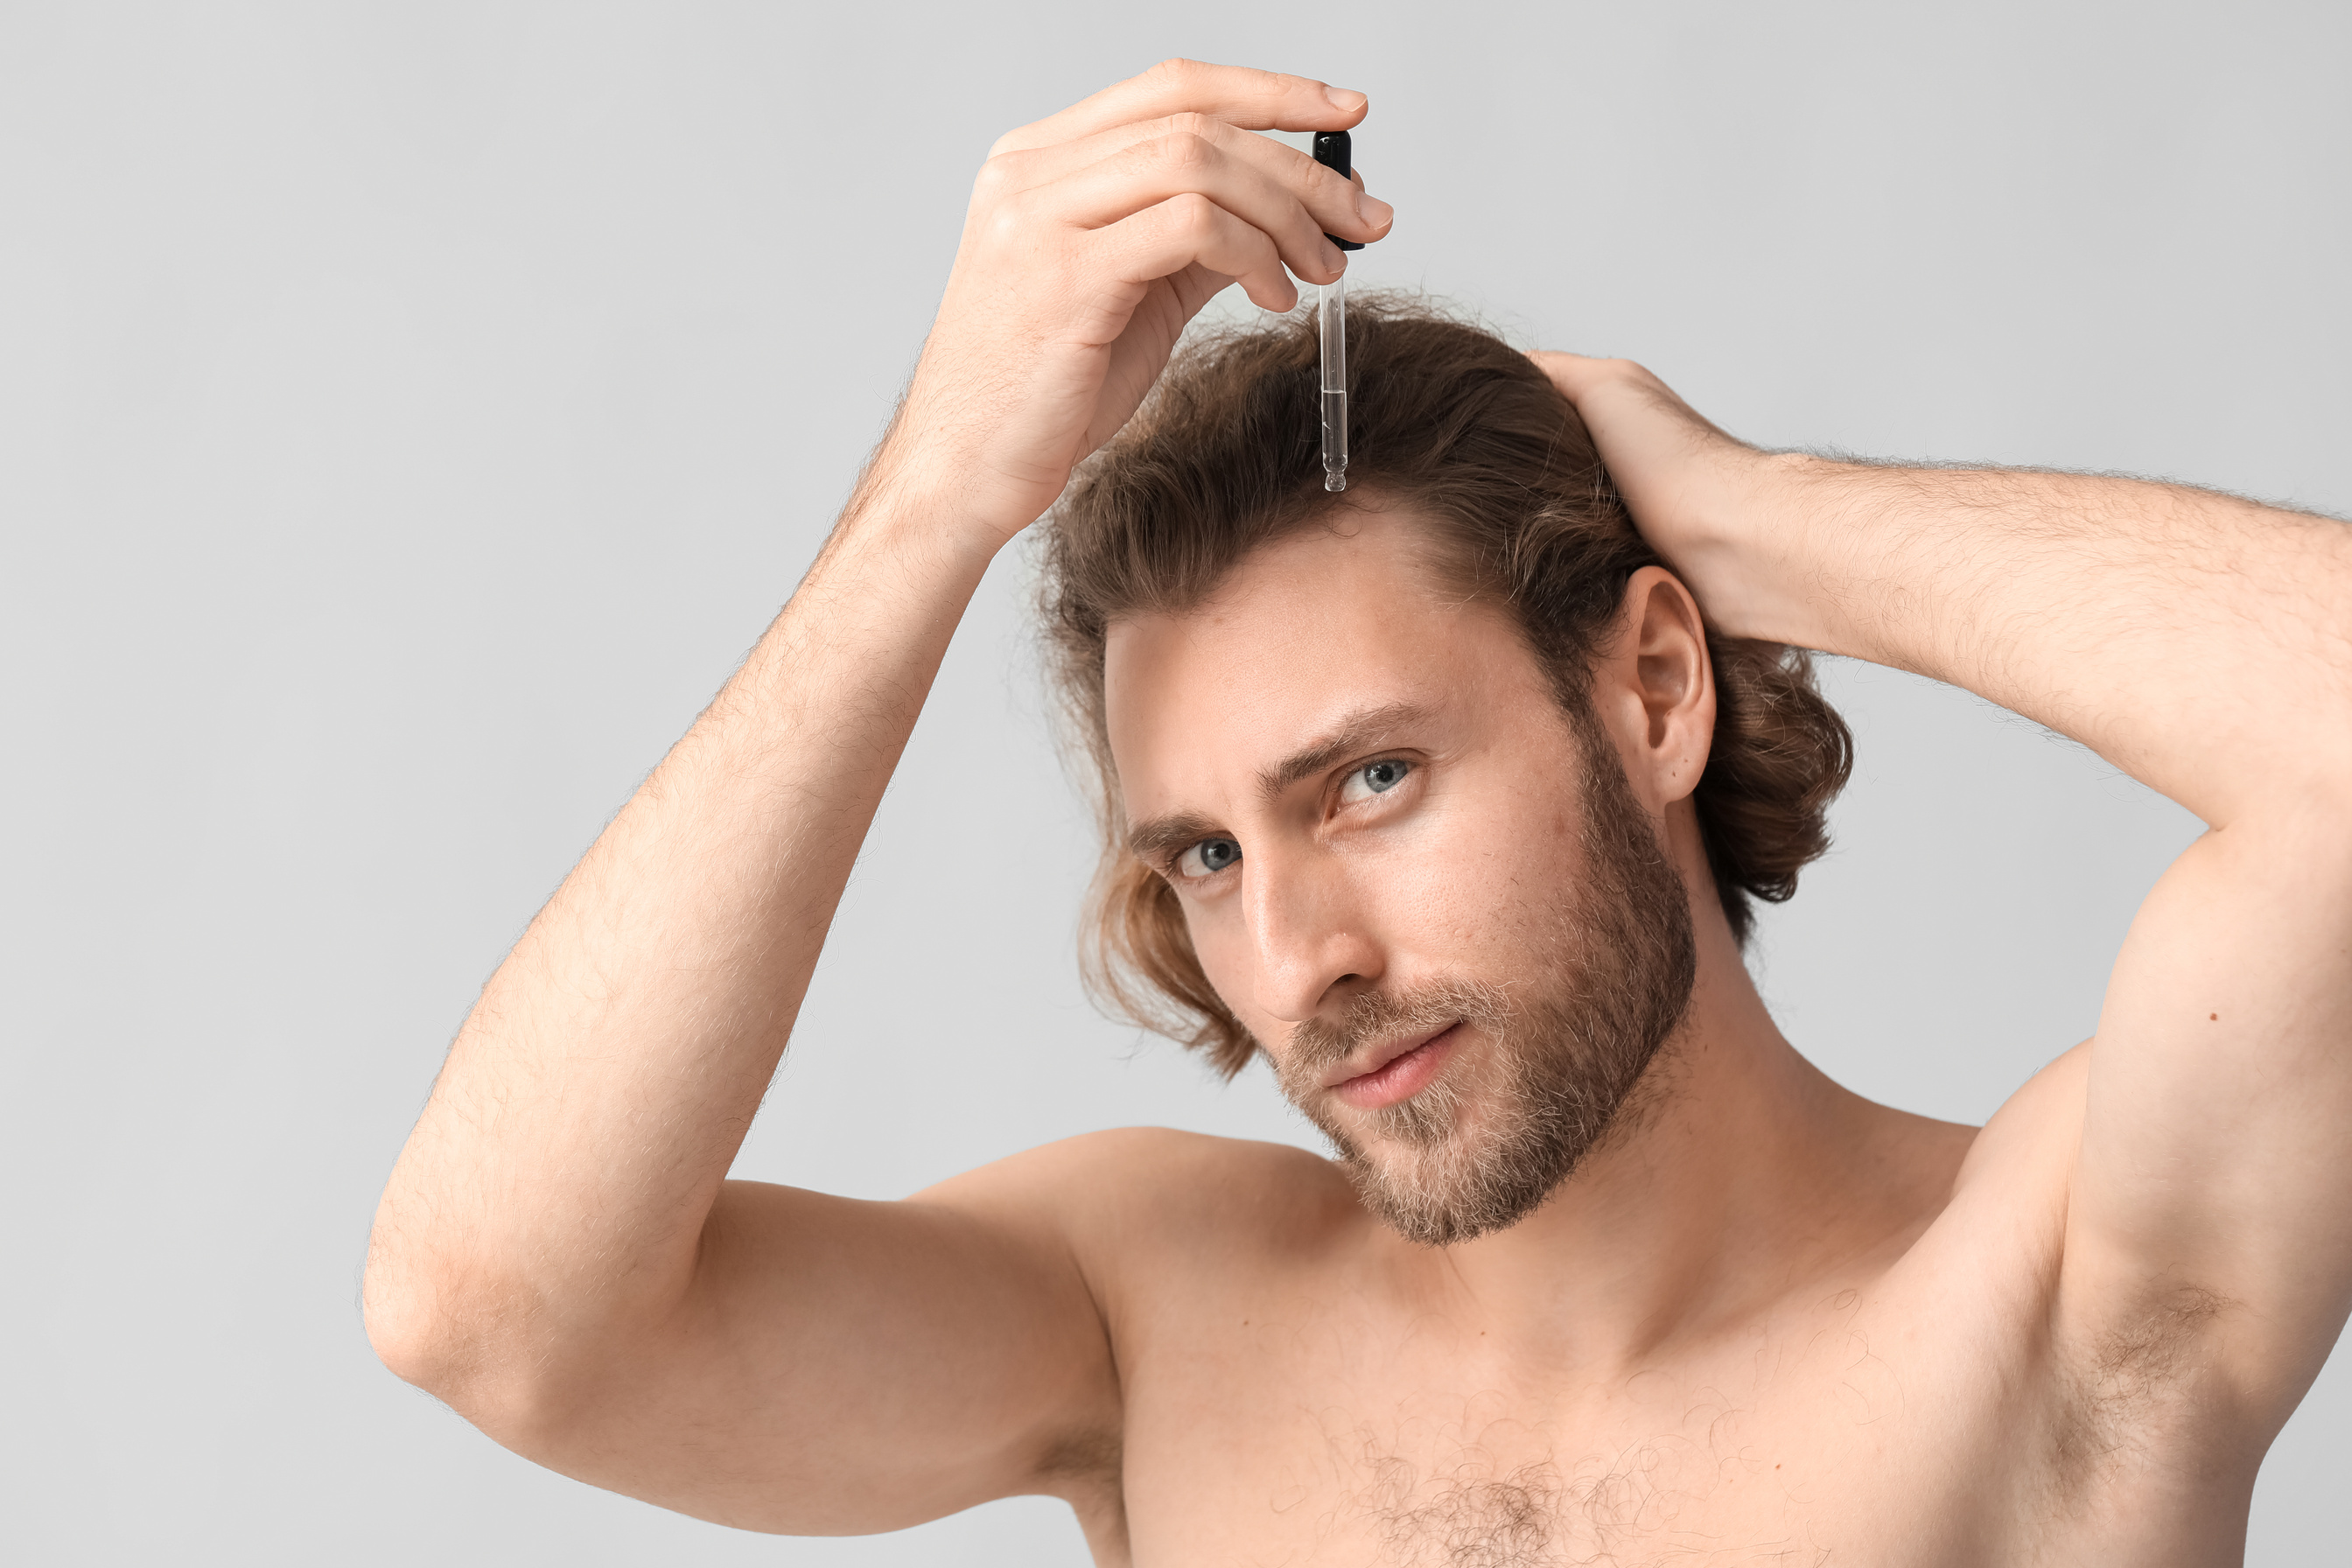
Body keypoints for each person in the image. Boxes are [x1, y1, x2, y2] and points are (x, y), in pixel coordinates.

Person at [364, 59, 2352, 1564]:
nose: (1302, 958)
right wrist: (934, 501)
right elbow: (500, 1312)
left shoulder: (2053, 1281)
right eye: (1209, 853)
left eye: (1371, 779)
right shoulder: (1156, 1315)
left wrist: (1743, 510)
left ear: (1653, 686)